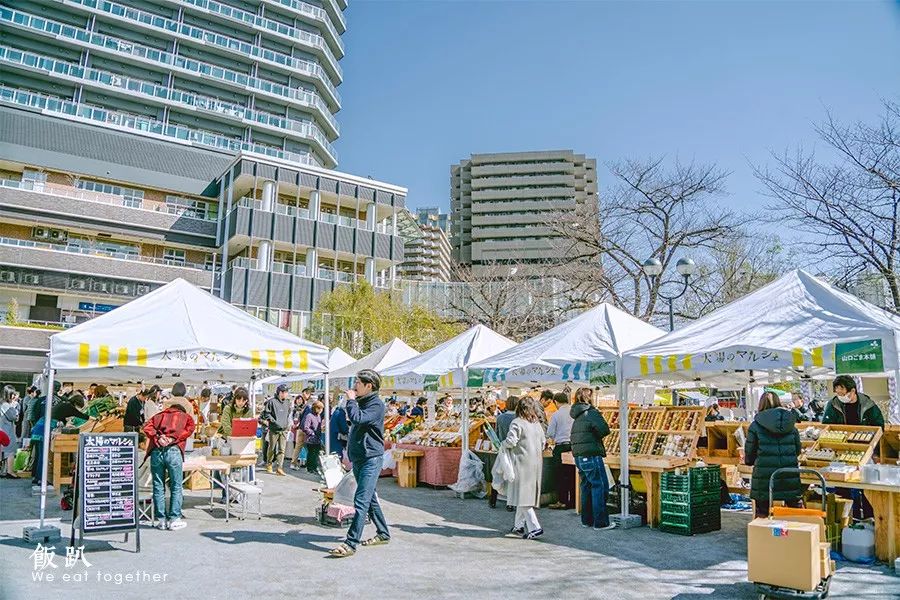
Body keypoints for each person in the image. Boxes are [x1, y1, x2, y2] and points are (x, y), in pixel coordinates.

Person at [329, 369, 390, 558]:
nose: (354, 386)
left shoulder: (376, 405)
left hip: (371, 458)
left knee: (361, 500)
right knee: (369, 498)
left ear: (368, 386)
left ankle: (351, 543)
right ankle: (383, 533)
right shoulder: (363, 402)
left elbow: (357, 418)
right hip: (359, 458)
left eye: (358, 383)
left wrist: (351, 400)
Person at [143, 383, 196, 531]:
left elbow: (147, 427)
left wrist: (159, 437)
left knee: (158, 485)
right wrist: (173, 439)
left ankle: (161, 520)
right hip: (174, 451)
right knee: (176, 485)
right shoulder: (186, 416)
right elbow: (190, 429)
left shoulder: (160, 415)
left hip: (157, 452)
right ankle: (174, 519)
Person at [744, 391, 803, 518]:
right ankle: (800, 535)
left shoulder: (755, 425)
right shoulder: (790, 424)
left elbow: (749, 452)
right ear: (778, 402)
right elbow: (797, 450)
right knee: (795, 511)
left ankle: (762, 535)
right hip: (789, 473)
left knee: (762, 512)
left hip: (764, 475)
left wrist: (750, 461)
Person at [570, 387, 615, 530]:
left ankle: (587, 520)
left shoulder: (577, 414)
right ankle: (601, 523)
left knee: (586, 487)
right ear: (589, 398)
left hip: (579, 455)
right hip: (591, 454)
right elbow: (604, 429)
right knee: (599, 486)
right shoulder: (591, 412)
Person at [502, 396, 545, 539]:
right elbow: (543, 443)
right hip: (536, 463)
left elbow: (511, 441)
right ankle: (518, 526)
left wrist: (502, 444)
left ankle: (535, 527)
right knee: (524, 494)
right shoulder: (537, 424)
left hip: (521, 462)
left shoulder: (517, 422)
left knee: (523, 497)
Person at [546, 391, 575, 510]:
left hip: (561, 446)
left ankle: (562, 501)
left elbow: (550, 433)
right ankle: (573, 502)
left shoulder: (556, 414)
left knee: (561, 475)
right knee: (573, 475)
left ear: (556, 402)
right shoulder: (574, 412)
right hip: (573, 446)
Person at [260, 383, 292, 475]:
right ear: (280, 393)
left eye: (286, 392)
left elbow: (288, 413)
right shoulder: (271, 402)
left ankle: (279, 467)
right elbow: (266, 414)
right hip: (274, 429)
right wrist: (274, 421)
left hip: (283, 430)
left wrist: (286, 424)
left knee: (282, 449)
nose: (286, 394)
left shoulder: (287, 402)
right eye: (285, 392)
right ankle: (269, 464)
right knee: (272, 447)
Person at [289, 387, 314, 470]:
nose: (303, 396)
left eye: (305, 394)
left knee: (302, 447)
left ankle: (302, 463)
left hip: (302, 428)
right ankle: (295, 463)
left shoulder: (307, 404)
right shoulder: (307, 405)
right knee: (300, 446)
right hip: (303, 429)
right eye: (303, 394)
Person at [1, 386, 20, 478]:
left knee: (4, 451)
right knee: (10, 450)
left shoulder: (2, 404)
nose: (14, 396)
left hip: (3, 429)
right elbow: (13, 417)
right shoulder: (6, 405)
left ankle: (4, 471)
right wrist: (13, 407)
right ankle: (10, 471)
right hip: (6, 430)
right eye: (12, 394)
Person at [302, 400, 324, 474]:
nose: (321, 410)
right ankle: (310, 468)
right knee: (311, 454)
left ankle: (314, 467)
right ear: (316, 408)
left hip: (317, 438)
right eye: (320, 408)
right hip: (311, 439)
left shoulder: (318, 416)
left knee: (316, 454)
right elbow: (306, 427)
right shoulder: (309, 416)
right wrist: (312, 433)